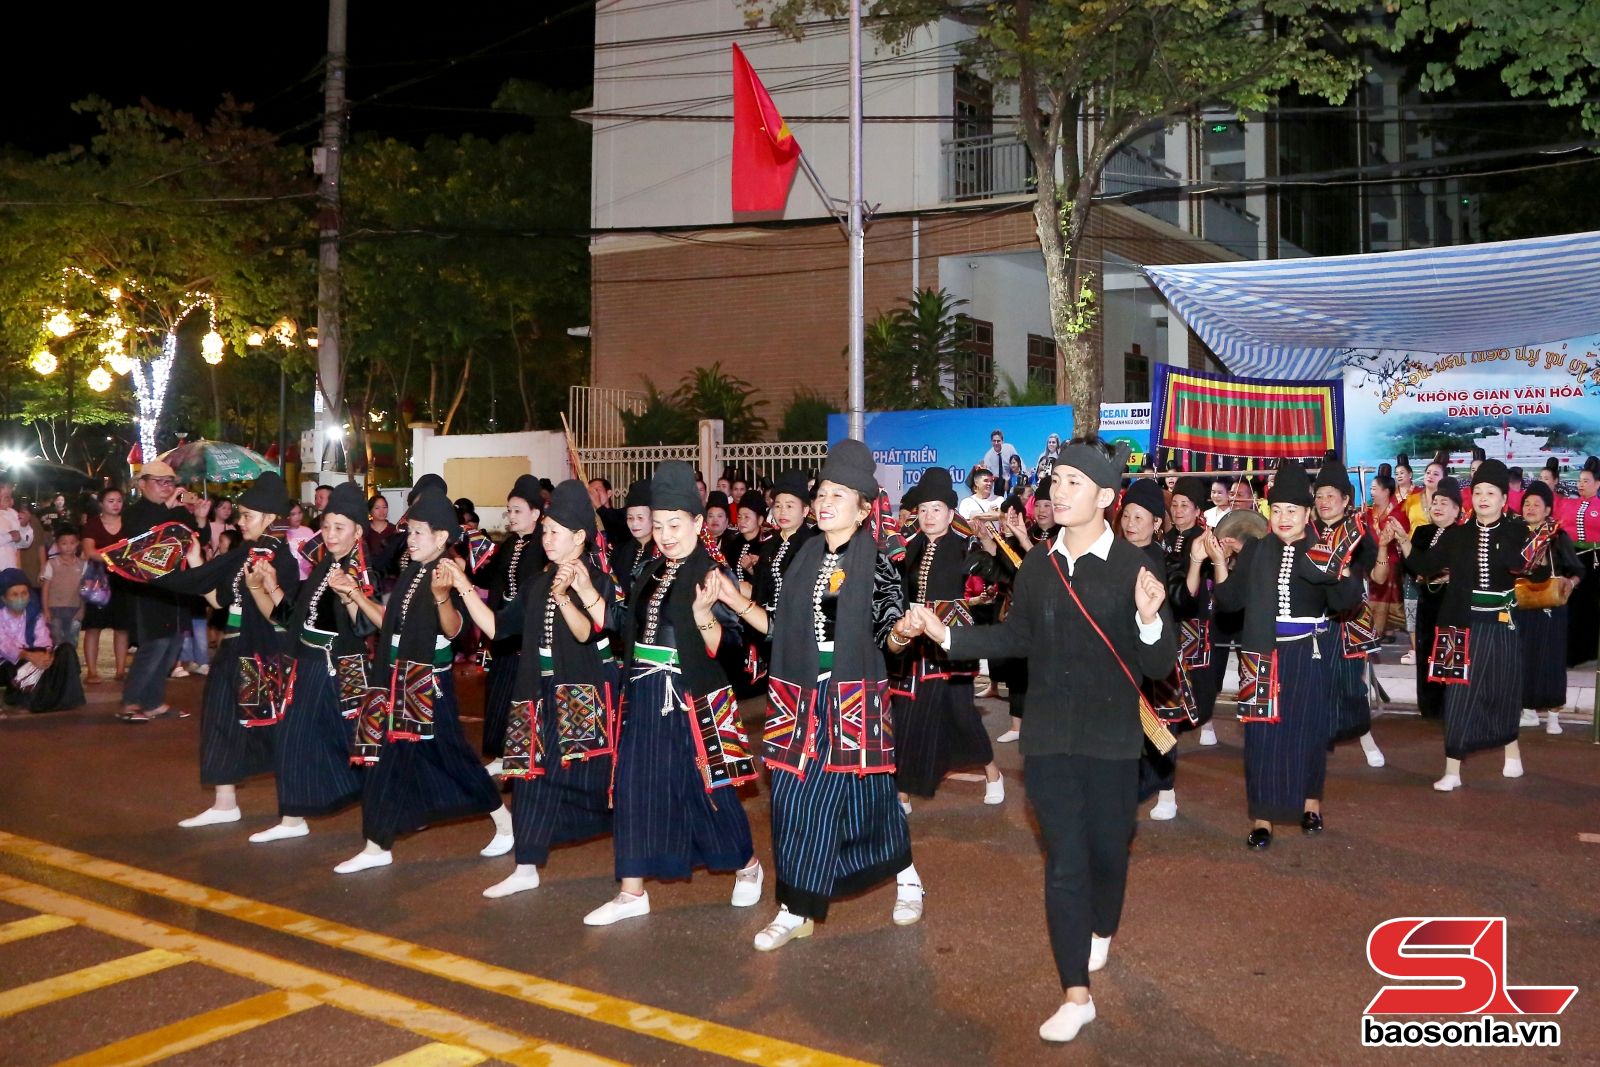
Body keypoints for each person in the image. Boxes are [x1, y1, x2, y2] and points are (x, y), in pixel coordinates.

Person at [907, 440, 1173, 1044]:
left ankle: (1101, 927)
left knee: (1109, 853)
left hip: (1112, 739)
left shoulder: (1135, 566)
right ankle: (1076, 994)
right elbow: (1015, 636)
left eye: (1075, 482)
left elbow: (1159, 665)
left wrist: (1149, 617)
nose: (1059, 490)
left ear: (1105, 497)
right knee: (1065, 861)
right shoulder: (1038, 566)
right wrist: (946, 637)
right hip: (1049, 739)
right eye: (1057, 480)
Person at [706, 439, 922, 951]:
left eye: (838, 495)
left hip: (851, 699)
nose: (825, 502)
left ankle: (907, 875)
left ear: (863, 509)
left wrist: (902, 633)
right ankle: (794, 907)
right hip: (797, 698)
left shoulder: (878, 564)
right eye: (822, 493)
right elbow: (779, 629)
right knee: (791, 798)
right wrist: (734, 599)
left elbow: (889, 635)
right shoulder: (804, 558)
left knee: (869, 800)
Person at [583, 461, 762, 928]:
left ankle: (747, 864)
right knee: (632, 786)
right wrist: (585, 590)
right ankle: (631, 891)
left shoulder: (713, 572)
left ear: (698, 523)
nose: (664, 535)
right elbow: (623, 623)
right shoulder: (649, 570)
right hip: (643, 695)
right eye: (658, 525)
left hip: (688, 700)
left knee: (703, 789)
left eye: (675, 525)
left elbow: (732, 647)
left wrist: (704, 615)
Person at [330, 487, 512, 874]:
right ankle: (377, 843)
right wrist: (354, 594)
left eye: (417, 532)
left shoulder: (446, 571)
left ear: (441, 536)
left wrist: (443, 595)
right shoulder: (412, 570)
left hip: (428, 684)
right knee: (383, 759)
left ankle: (504, 821)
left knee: (454, 758)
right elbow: (389, 625)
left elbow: (455, 629)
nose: (409, 539)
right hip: (395, 679)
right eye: (409, 531)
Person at [452, 480, 619, 899]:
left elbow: (586, 632)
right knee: (529, 775)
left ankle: (630, 827)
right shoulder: (536, 584)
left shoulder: (597, 581)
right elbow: (496, 628)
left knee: (591, 779)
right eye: (545, 531)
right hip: (536, 691)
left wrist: (564, 595)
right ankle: (526, 865)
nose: (546, 539)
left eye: (554, 532)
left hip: (579, 694)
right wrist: (463, 586)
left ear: (579, 536)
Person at [1212, 462, 1362, 850]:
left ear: (1308, 514)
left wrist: (1342, 569)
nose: (1283, 517)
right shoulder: (1256, 549)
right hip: (1260, 655)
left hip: (1307, 655)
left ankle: (1311, 804)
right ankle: (1262, 817)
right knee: (1261, 736)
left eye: (1292, 510)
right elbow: (1229, 601)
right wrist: (1218, 561)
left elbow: (1344, 602)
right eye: (1276, 509)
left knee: (1308, 731)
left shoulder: (1320, 551)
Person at [148, 474, 302, 828]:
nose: (240, 521)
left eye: (247, 516)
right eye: (240, 514)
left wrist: (263, 585)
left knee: (272, 728)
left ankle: (294, 815)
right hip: (233, 646)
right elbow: (218, 599)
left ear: (269, 518)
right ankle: (224, 803)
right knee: (219, 720)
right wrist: (196, 562)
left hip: (263, 651)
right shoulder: (243, 554)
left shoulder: (281, 559)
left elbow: (283, 616)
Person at [245, 482, 371, 844]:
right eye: (326, 526)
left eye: (339, 527)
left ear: (357, 532)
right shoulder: (323, 566)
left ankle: (401, 801)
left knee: (364, 748)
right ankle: (292, 816)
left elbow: (365, 626)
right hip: (310, 664)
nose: (330, 534)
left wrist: (350, 594)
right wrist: (265, 584)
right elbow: (292, 618)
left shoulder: (361, 571)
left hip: (341, 671)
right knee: (293, 738)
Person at [1398, 459, 1531, 790]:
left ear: (1504, 499)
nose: (1483, 498)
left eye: (1491, 493)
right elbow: (1425, 565)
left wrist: (1535, 550)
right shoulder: (1457, 535)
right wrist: (1403, 542)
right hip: (1459, 626)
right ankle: (1452, 771)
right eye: (1478, 492)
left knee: (1503, 690)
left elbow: (1529, 568)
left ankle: (1512, 753)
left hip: (1501, 624)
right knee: (1457, 696)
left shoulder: (1518, 531)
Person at [892, 467, 1003, 810]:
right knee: (907, 714)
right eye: (923, 509)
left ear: (951, 513)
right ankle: (903, 789)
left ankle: (992, 771)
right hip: (913, 647)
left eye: (936, 509)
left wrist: (988, 553)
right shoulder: (907, 549)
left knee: (961, 715)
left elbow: (988, 589)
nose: (928, 516)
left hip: (951, 646)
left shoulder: (965, 547)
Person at [1148, 476, 1224, 818]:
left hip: (1196, 621)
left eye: (1185, 506)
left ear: (1197, 510)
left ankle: (1201, 721)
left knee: (1198, 686)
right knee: (1169, 699)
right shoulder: (1162, 538)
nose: (1178, 511)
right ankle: (1164, 780)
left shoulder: (1204, 539)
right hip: (1166, 623)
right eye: (1175, 505)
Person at [1310, 461, 1386, 769]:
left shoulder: (1359, 532)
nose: (1324, 501)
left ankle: (1366, 738)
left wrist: (1384, 549)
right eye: (1319, 495)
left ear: (1345, 499)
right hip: (1310, 621)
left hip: (1347, 621)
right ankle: (1316, 746)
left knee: (1351, 686)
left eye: (1331, 495)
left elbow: (1378, 577)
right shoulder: (1305, 531)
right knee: (1313, 686)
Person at [473, 474, 548, 773]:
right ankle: (502, 755)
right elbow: (489, 578)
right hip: (506, 632)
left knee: (525, 696)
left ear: (536, 513)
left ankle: (526, 756)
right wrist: (465, 561)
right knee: (501, 693)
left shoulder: (545, 545)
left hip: (530, 634)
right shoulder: (508, 545)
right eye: (509, 511)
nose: (512, 516)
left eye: (518, 511)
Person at [116, 462, 200, 723]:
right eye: (160, 481)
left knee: (173, 643)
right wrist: (168, 508)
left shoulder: (177, 511)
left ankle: (153, 702)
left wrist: (200, 516)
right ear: (142, 484)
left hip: (176, 587)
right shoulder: (135, 513)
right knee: (155, 644)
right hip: (148, 589)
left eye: (170, 482)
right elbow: (142, 539)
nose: (166, 487)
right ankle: (130, 701)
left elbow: (197, 538)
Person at [1513, 481, 1580, 735]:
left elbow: (1577, 570)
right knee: (1525, 658)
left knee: (1552, 659)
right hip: (1523, 605)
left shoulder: (1557, 536)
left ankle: (1554, 716)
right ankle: (1528, 711)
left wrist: (1569, 583)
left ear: (1548, 509)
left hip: (1552, 607)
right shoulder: (1516, 536)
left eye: (1536, 504)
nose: (1530, 508)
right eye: (1527, 504)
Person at [80, 489, 131, 684]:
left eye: (119, 500)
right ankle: (92, 672)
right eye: (111, 501)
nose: (116, 504)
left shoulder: (129, 522)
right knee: (94, 626)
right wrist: (117, 557)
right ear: (101, 503)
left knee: (122, 627)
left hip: (124, 580)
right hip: (98, 581)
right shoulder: (93, 524)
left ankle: (121, 670)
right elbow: (89, 552)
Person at [1564, 457, 1600, 667]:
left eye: (1586, 481)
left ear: (1597, 484)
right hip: (1573, 561)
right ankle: (1573, 653)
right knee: (1573, 606)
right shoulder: (1570, 504)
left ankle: (1589, 651)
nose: (1581, 484)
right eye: (1580, 480)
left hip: (1594, 563)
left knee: (1590, 606)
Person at [0, 568, 53, 706]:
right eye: (14, 594)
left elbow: (43, 638)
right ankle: (18, 696)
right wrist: (28, 655)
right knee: (20, 665)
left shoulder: (34, 614)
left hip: (32, 660)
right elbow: (4, 646)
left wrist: (46, 654)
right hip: (6, 663)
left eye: (24, 593)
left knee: (66, 651)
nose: (20, 598)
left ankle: (64, 699)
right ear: (4, 598)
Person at [39, 525, 86, 654]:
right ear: (57, 545)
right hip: (54, 608)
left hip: (75, 608)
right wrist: (46, 610)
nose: (68, 547)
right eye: (64, 543)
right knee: (56, 640)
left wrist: (82, 609)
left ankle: (70, 664)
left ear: (78, 544)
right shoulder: (51, 564)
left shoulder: (82, 565)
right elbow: (45, 588)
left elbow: (84, 589)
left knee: (72, 640)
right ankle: (57, 665)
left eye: (72, 543)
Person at [611, 479, 656, 600]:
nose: (634, 524)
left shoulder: (662, 552)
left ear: (653, 518)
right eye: (630, 518)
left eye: (640, 518)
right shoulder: (620, 551)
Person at [363, 495, 402, 600]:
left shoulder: (395, 531)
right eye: (377, 508)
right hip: (369, 580)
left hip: (391, 581)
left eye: (384, 507)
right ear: (370, 511)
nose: (382, 511)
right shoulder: (364, 531)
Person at [0, 477, 36, 573]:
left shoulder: (13, 514)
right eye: (6, 497)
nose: (10, 500)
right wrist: (9, 537)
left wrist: (24, 526)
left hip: (10, 572)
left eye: (9, 496)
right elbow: (12, 537)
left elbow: (25, 544)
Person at [587, 477, 628, 551]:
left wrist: (598, 505)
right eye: (591, 492)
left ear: (609, 493)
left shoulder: (621, 514)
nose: (594, 495)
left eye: (597, 490)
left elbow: (615, 523)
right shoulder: (587, 519)